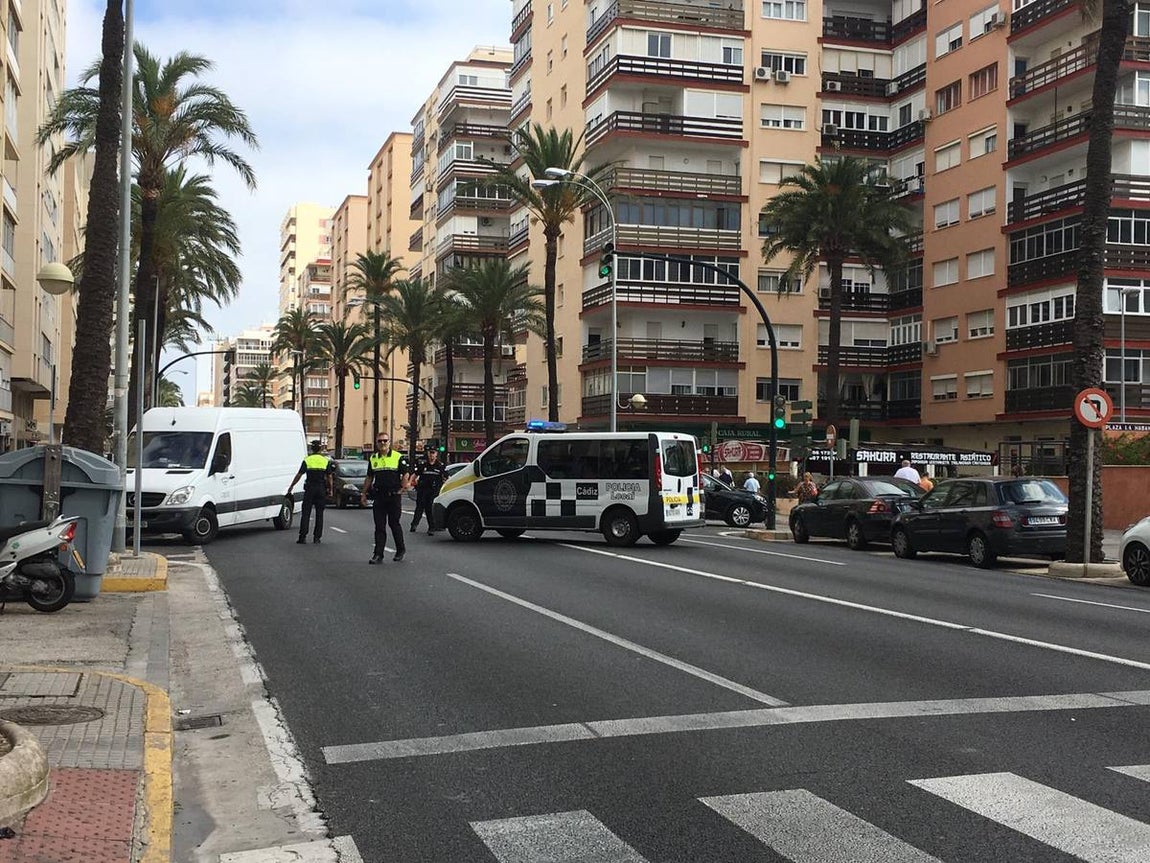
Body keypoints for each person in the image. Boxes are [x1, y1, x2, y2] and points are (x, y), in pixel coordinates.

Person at [361, 432, 413, 564]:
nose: (383, 443)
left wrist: (402, 488)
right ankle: (378, 554)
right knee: (379, 526)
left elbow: (405, 473)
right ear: (377, 443)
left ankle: (400, 550)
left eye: (385, 441)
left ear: (389, 442)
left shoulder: (397, 457)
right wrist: (363, 493)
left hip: (393, 496)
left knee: (394, 524)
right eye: (380, 441)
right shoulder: (373, 458)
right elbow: (369, 477)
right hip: (379, 497)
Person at [288, 440, 334, 544]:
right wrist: (330, 490)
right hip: (321, 488)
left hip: (310, 488)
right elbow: (329, 476)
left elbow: (299, 475)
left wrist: (292, 485)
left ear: (312, 449)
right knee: (319, 514)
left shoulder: (307, 460)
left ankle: (302, 537)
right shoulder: (325, 461)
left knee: (306, 513)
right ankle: (317, 537)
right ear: (321, 449)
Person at [411, 447, 448, 534]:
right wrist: (411, 482)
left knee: (430, 509)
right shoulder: (423, 464)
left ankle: (431, 527)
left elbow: (446, 478)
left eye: (433, 453)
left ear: (436, 454)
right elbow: (415, 474)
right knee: (419, 508)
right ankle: (414, 525)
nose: (431, 455)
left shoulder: (440, 466)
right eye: (430, 453)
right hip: (422, 490)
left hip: (434, 491)